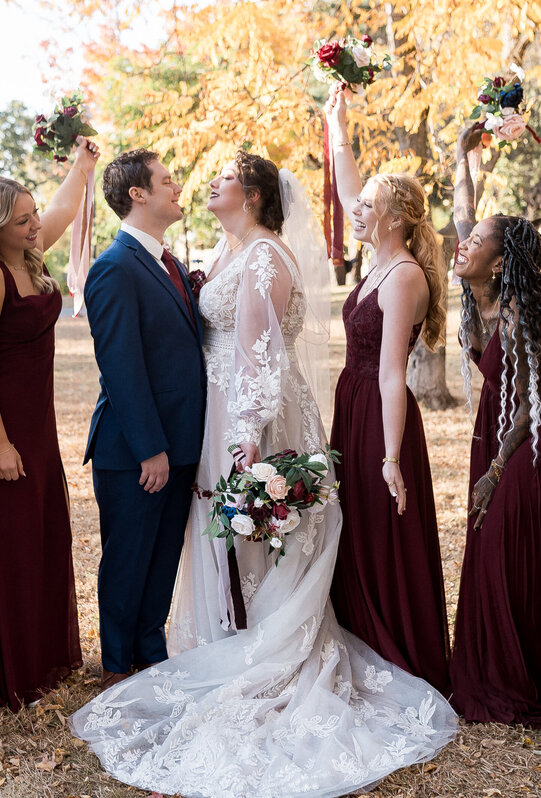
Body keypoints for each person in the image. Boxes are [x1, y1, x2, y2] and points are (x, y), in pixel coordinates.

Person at [71, 150, 456, 796]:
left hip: (253, 420)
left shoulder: (263, 257)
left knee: (258, 543)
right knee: (231, 543)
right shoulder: (227, 255)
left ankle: (257, 643)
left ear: (250, 195)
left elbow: (257, 359)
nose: (206, 184)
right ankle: (231, 630)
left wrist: (246, 442)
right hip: (219, 417)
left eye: (222, 178)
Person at [0, 139, 99, 711]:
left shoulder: (28, 255)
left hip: (36, 424)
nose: (37, 225)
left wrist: (82, 168)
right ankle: (3, 669)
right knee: (5, 546)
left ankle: (37, 657)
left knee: (37, 537)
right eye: (22, 220)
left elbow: (61, 211)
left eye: (35, 213)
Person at [323, 85, 452, 694]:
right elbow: (349, 190)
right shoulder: (377, 258)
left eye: (369, 205)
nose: (357, 209)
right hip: (354, 404)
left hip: (380, 412)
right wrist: (338, 126)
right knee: (354, 526)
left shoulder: (401, 277)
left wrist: (392, 456)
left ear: (393, 219)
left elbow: (392, 372)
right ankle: (356, 630)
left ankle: (394, 647)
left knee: (381, 526)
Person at [446, 128, 541, 725]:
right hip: (495, 438)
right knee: (488, 553)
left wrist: (496, 473)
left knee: (507, 557)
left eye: (474, 243)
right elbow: (463, 219)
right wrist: (461, 158)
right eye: (463, 240)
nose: (461, 245)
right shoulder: (479, 300)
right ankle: (487, 669)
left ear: (500, 261)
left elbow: (528, 403)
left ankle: (517, 679)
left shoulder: (520, 313)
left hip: (530, 444)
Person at [79, 148, 206, 689]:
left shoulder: (169, 263)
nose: (177, 188)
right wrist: (150, 447)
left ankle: (150, 655)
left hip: (180, 443)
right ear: (138, 194)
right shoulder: (113, 268)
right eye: (167, 180)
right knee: (128, 560)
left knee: (161, 558)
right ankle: (115, 667)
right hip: (134, 449)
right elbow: (122, 367)